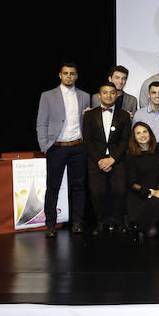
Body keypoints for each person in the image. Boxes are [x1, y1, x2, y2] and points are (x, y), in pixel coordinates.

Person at [36, 62, 90, 237]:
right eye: (66, 73)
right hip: (57, 148)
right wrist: (45, 145)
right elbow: (41, 122)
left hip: (78, 147)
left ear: (76, 76)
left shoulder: (84, 96)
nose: (69, 76)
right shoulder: (47, 96)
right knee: (53, 187)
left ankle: (77, 223)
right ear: (60, 75)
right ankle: (50, 225)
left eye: (72, 73)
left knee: (79, 187)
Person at [83, 82, 132, 234]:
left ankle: (119, 220)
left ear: (117, 95)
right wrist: (100, 159)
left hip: (117, 160)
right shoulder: (90, 115)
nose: (109, 95)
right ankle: (101, 221)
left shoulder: (124, 115)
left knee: (119, 191)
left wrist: (112, 159)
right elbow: (88, 140)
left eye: (112, 92)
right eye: (105, 92)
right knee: (97, 192)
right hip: (95, 160)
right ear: (99, 95)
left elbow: (125, 140)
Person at [124, 122, 159, 237]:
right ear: (134, 137)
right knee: (151, 231)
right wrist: (151, 192)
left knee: (153, 232)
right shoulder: (130, 154)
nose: (142, 135)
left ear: (149, 133)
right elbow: (132, 184)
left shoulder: (157, 149)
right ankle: (132, 221)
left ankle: (141, 225)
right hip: (138, 195)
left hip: (156, 194)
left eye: (144, 131)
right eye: (138, 133)